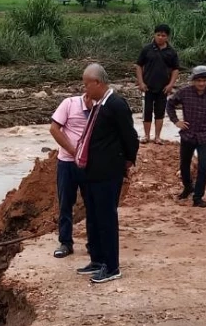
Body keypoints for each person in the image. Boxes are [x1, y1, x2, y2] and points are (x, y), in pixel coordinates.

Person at [75, 63, 139, 284]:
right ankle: (98, 259)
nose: (85, 89)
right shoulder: (98, 105)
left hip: (108, 171)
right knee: (93, 217)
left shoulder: (116, 104)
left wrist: (128, 160)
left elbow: (130, 136)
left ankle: (112, 266)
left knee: (106, 218)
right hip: (93, 171)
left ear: (97, 83)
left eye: (86, 85)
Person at [167, 65, 206, 208]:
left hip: (205, 136)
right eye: (198, 80)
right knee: (184, 165)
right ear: (193, 81)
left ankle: (198, 197)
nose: (201, 83)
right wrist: (176, 121)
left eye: (204, 80)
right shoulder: (184, 93)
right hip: (188, 135)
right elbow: (170, 104)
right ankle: (187, 187)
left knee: (203, 167)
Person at [48, 87, 93, 259]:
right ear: (87, 95)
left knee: (93, 204)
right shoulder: (69, 104)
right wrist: (75, 153)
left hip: (90, 165)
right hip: (67, 163)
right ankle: (65, 243)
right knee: (66, 203)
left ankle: (93, 243)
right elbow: (54, 129)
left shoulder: (99, 108)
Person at [135, 24, 180, 145]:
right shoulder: (147, 49)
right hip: (147, 87)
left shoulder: (171, 52)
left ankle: (158, 137)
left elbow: (176, 69)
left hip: (163, 88)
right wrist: (141, 82)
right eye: (158, 35)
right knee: (147, 112)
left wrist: (171, 85)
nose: (160, 37)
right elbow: (139, 65)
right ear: (154, 35)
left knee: (160, 113)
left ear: (167, 37)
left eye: (163, 35)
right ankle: (146, 136)